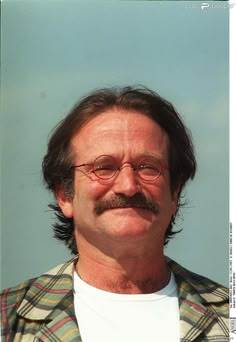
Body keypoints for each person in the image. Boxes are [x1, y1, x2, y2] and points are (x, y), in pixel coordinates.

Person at [1, 86, 229, 341]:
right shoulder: (9, 321)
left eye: (147, 167)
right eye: (104, 167)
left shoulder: (227, 317)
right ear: (64, 195)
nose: (128, 186)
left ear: (175, 191)